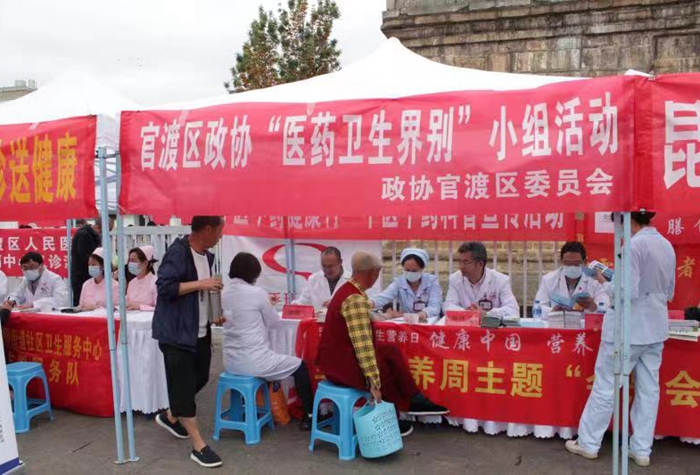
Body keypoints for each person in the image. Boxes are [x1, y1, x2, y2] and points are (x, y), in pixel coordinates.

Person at [566, 211, 676, 467]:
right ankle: (641, 449)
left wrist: (605, 282)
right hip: (655, 326)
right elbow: (669, 291)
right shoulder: (666, 245)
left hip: (628, 328)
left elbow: (627, 291)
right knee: (649, 389)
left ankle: (589, 443)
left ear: (627, 219)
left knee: (606, 385)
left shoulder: (633, 246)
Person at [317, 251, 449, 437]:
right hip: (340, 365)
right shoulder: (355, 299)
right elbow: (363, 347)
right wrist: (374, 383)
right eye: (377, 273)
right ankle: (390, 420)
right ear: (372, 273)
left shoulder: (350, 290)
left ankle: (414, 398)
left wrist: (383, 315)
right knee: (382, 368)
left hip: (338, 356)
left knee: (390, 351)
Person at [152, 216, 225, 469]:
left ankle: (171, 416)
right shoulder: (178, 252)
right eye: (219, 231)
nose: (220, 236)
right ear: (208, 229)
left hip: (200, 331)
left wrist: (215, 313)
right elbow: (165, 288)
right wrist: (202, 283)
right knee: (183, 386)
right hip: (176, 334)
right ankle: (199, 446)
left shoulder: (207, 257)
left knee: (201, 377)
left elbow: (200, 295)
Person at [222, 252, 314, 430]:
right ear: (253, 274)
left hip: (231, 362)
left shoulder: (224, 293)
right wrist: (267, 303)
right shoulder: (257, 293)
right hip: (254, 361)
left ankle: (246, 406)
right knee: (300, 366)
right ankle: (309, 415)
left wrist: (265, 303)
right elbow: (274, 323)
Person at [443, 242, 519, 318]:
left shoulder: (500, 280)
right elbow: (448, 306)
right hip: (465, 323)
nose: (461, 266)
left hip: (490, 324)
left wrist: (487, 314)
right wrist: (467, 313)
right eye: (460, 262)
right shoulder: (455, 279)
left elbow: (513, 310)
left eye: (466, 262)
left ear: (480, 264)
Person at [534, 242, 610, 315]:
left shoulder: (595, 280)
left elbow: (606, 308)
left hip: (584, 323)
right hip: (558, 322)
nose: (572, 267)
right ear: (561, 261)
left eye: (576, 263)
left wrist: (593, 307)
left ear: (585, 262)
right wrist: (552, 311)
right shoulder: (549, 279)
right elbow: (538, 307)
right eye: (567, 263)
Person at [371, 248, 443, 323]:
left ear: (422, 268)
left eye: (414, 270)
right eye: (407, 270)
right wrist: (370, 303)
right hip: (407, 322)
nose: (410, 273)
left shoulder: (431, 281)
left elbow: (435, 305)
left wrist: (424, 313)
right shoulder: (399, 282)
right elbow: (384, 296)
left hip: (429, 321)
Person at [71, 216, 113, 305]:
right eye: (106, 230)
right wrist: (102, 265)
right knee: (81, 303)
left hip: (91, 275)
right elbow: (86, 256)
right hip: (82, 275)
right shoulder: (84, 235)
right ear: (98, 227)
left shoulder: (94, 236)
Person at [5, 252, 69, 310]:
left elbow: (61, 300)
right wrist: (13, 301)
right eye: (25, 268)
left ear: (41, 266)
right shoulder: (25, 280)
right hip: (30, 315)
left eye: (32, 267)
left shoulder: (54, 279)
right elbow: (17, 295)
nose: (28, 270)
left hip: (50, 315)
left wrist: (34, 304)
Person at [126, 245, 158, 311]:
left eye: (133, 260)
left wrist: (140, 307)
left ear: (145, 263)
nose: (130, 264)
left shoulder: (155, 282)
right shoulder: (131, 283)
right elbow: (127, 302)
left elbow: (160, 308)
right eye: (129, 261)